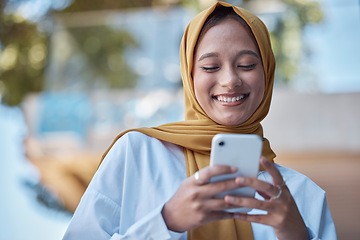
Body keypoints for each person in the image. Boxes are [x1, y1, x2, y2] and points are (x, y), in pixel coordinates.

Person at [63, 2, 336, 240]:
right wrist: (166, 221)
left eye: (247, 65)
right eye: (210, 67)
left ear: (267, 73)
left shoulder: (303, 196)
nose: (230, 80)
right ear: (189, 76)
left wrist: (297, 237)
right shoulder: (138, 154)